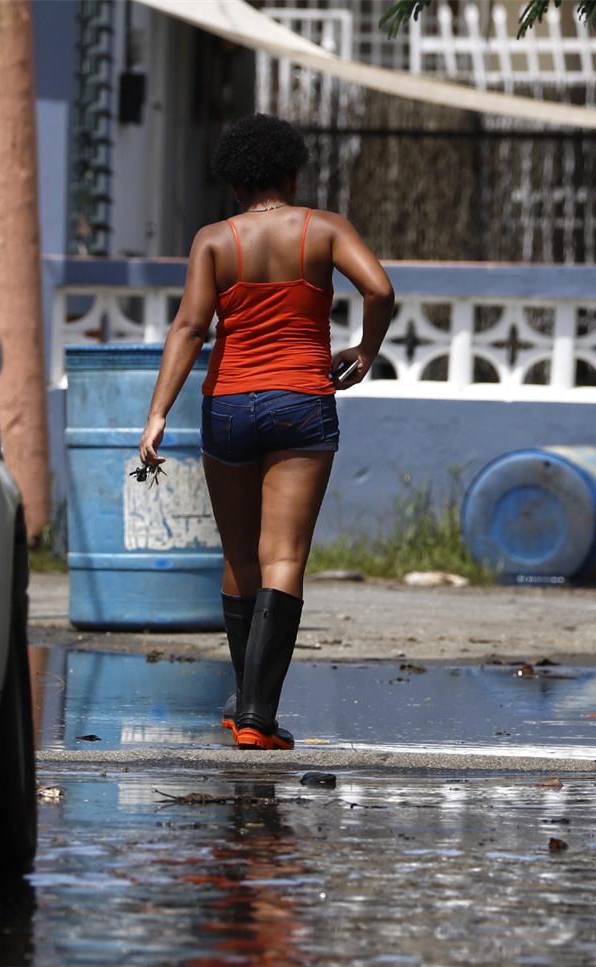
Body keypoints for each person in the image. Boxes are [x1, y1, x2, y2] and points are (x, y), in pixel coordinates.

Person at [139, 114, 395, 750]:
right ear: (292, 170)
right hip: (303, 402)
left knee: (239, 555)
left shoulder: (213, 241)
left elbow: (190, 329)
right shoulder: (323, 229)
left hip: (227, 404)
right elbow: (380, 288)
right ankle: (257, 716)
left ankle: (241, 702)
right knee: (285, 557)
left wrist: (157, 413)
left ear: (233, 184)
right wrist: (365, 349)